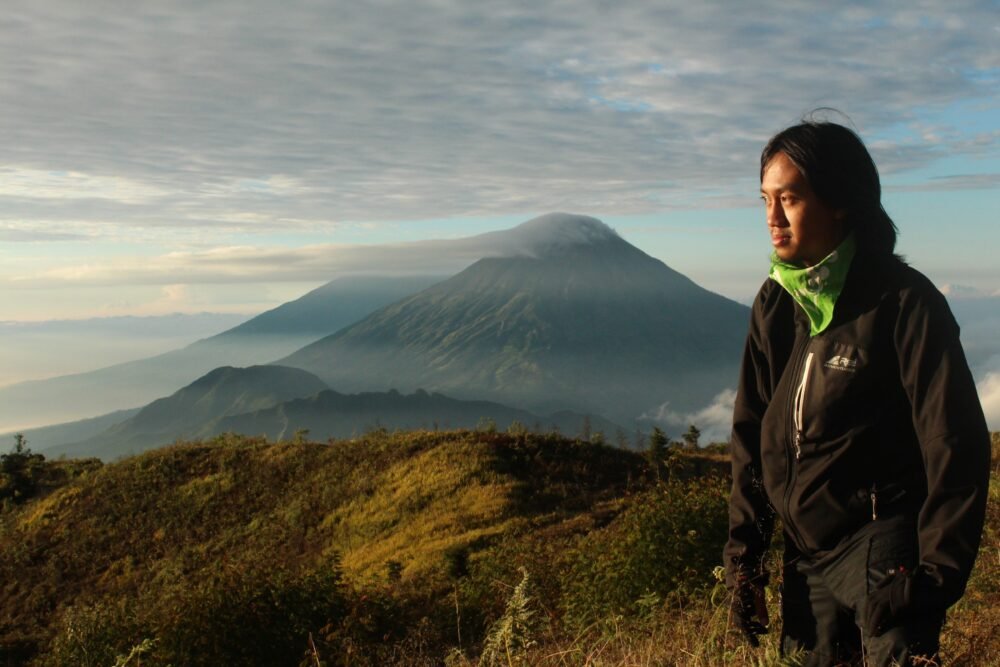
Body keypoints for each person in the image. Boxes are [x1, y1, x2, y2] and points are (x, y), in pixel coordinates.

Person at [724, 119, 991, 666]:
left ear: (841, 201)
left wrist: (933, 579)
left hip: (880, 547)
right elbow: (750, 434)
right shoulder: (777, 303)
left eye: (790, 198)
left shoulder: (904, 306)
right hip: (807, 554)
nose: (772, 218)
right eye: (765, 200)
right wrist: (744, 561)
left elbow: (954, 442)